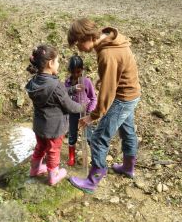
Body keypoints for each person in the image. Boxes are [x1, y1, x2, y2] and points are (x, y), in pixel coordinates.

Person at [67, 18, 141, 193]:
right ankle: (128, 168)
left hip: (122, 99)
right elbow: (116, 70)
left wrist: (93, 116)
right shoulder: (112, 40)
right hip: (132, 94)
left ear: (88, 37)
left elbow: (108, 94)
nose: (79, 49)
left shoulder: (107, 54)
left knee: (100, 138)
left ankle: (93, 181)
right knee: (128, 131)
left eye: (78, 44)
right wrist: (103, 79)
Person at [25, 44, 83, 186]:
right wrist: (83, 107)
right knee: (53, 151)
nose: (58, 65)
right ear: (50, 63)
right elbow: (69, 105)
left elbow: (56, 95)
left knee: (40, 147)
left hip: (40, 126)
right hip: (54, 128)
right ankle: (52, 177)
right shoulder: (55, 85)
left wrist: (73, 89)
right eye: (57, 62)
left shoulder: (34, 82)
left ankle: (35, 169)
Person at [65, 55, 97, 166]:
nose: (76, 75)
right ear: (70, 71)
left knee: (88, 136)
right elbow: (64, 95)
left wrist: (89, 112)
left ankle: (95, 159)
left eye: (78, 72)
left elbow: (93, 98)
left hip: (85, 113)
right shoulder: (68, 82)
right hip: (73, 114)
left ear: (82, 70)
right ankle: (72, 157)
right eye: (73, 72)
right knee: (72, 135)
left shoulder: (86, 82)